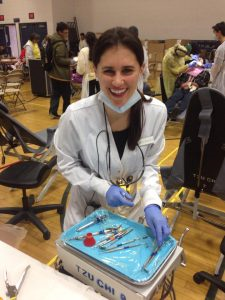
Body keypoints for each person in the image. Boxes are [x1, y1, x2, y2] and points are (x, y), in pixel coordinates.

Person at [54, 27, 170, 247]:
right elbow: (67, 164)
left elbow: (150, 166)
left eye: (127, 70)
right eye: (109, 71)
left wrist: (153, 203)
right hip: (86, 215)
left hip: (133, 214)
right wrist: (101, 187)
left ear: (142, 69)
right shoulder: (76, 116)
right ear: (95, 70)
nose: (118, 82)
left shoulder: (156, 112)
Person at [48, 22, 75, 119]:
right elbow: (59, 59)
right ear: (59, 32)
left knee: (55, 94)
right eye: (65, 32)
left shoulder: (53, 40)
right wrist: (70, 61)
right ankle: (66, 114)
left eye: (67, 32)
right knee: (66, 96)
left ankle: (53, 112)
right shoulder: (60, 44)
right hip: (61, 75)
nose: (67, 34)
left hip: (54, 73)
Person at [76, 32, 100, 98]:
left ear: (86, 40)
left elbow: (81, 69)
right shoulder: (99, 50)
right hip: (99, 79)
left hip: (89, 79)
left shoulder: (84, 51)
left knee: (88, 102)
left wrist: (78, 72)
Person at [128, 26, 150, 92]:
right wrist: (145, 77)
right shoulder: (141, 48)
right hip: (137, 78)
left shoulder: (123, 47)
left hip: (127, 79)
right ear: (137, 35)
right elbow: (145, 65)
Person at [211, 21, 225, 95]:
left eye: (215, 32)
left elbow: (216, 67)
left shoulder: (221, 48)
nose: (215, 35)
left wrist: (211, 78)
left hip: (221, 79)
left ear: (219, 32)